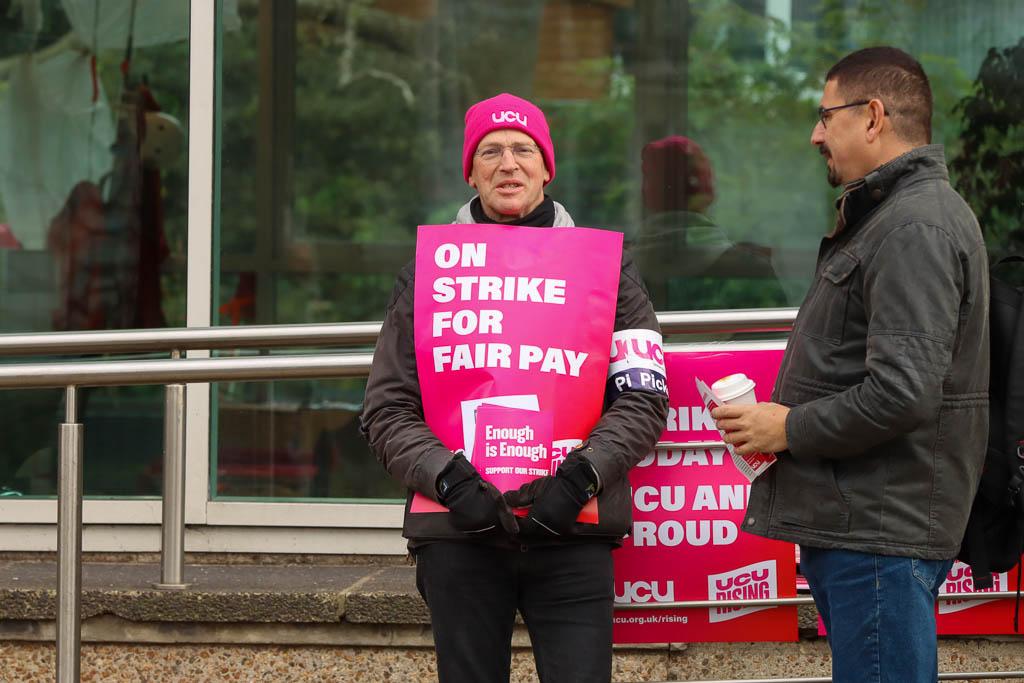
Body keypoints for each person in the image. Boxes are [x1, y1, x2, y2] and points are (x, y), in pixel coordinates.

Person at [360, 93, 668, 683]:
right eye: (491, 151)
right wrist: (449, 479)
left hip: (573, 524)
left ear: (547, 167)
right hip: (459, 530)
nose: (509, 163)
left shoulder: (608, 268)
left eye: (523, 149)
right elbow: (387, 408)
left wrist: (582, 476)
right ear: (470, 171)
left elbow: (643, 394)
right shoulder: (426, 273)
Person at [711, 47, 989, 683]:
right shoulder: (896, 217)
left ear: (872, 116)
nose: (815, 134)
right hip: (867, 525)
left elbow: (902, 392)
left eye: (824, 115)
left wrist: (788, 427)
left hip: (879, 533)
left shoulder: (913, 226)